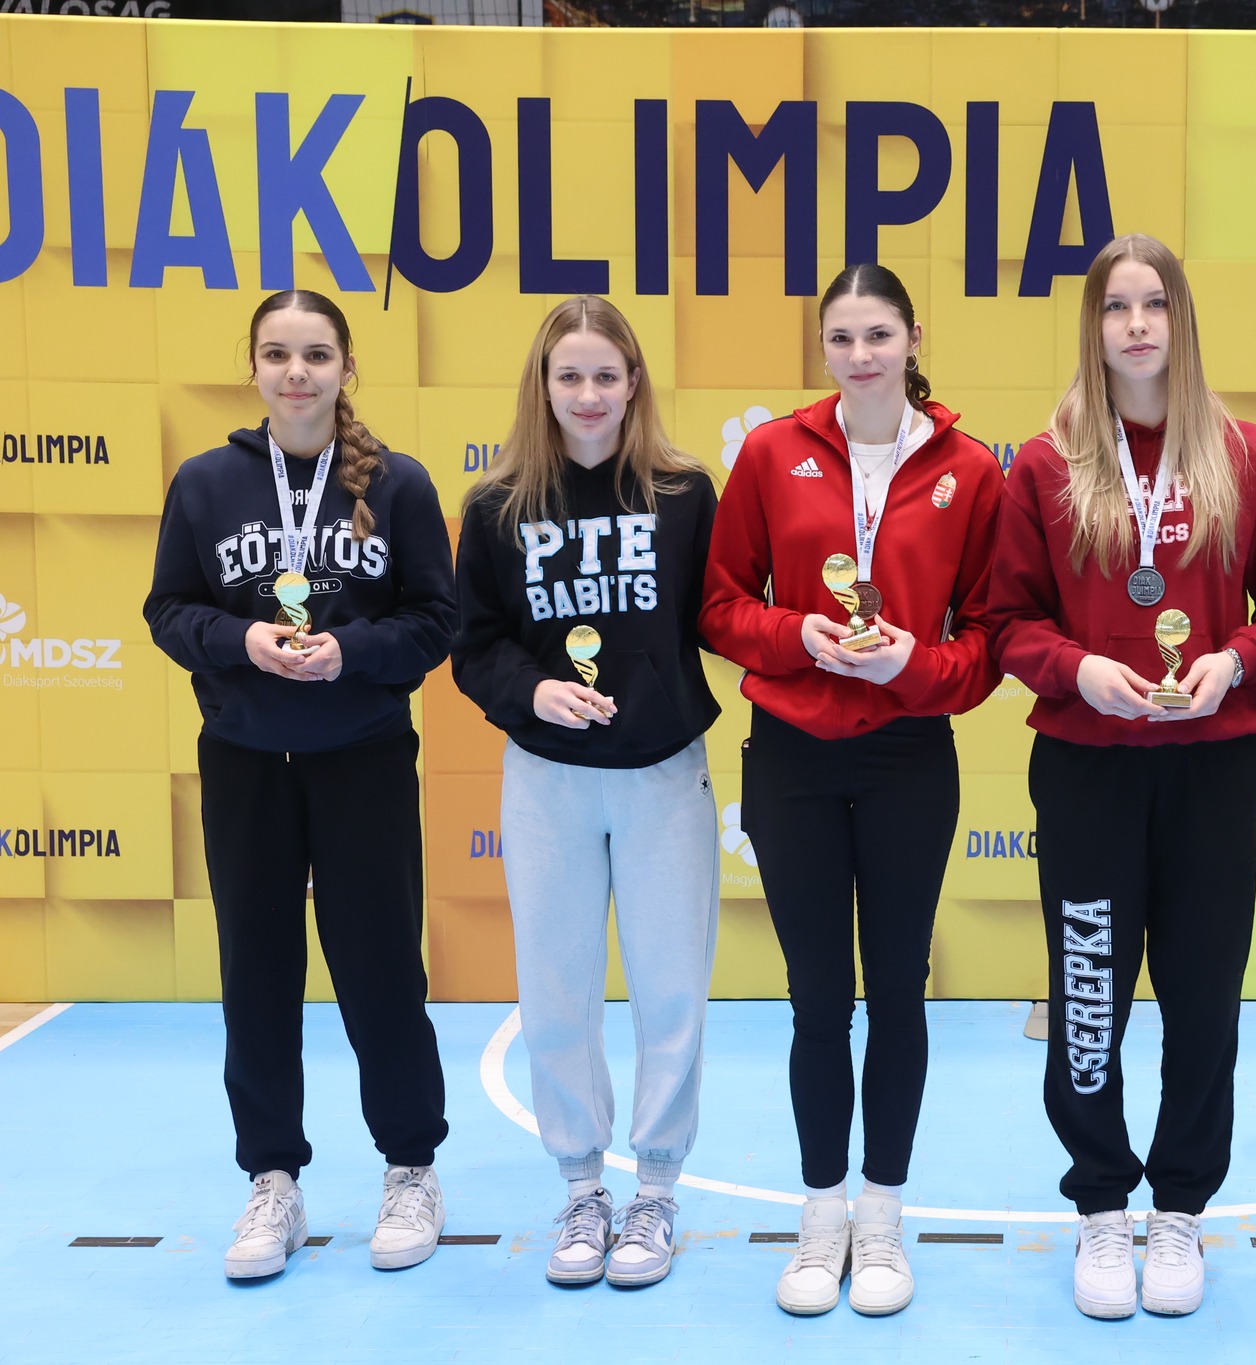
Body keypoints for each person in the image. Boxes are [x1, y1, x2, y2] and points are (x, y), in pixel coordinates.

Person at [987, 233, 1256, 1320]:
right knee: (1088, 994)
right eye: (1114, 306)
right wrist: (1078, 669)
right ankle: (1099, 1202)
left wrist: (1236, 662)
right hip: (1087, 765)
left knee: (1202, 994)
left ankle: (1178, 1206)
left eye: (1154, 304)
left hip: (1213, 764)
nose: (1135, 325)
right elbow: (1004, 622)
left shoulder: (1246, 456)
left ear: (1181, 320)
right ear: (1091, 326)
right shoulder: (1045, 465)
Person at [699, 263, 1005, 1317]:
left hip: (908, 755)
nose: (861, 354)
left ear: (913, 339)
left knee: (899, 992)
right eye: (841, 337)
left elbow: (987, 645)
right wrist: (801, 637)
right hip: (791, 756)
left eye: (879, 334)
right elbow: (719, 606)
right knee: (817, 998)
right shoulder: (771, 452)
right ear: (822, 346)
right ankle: (821, 1211)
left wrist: (910, 663)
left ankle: (882, 1213)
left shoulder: (970, 467)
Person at [143, 289, 454, 1280]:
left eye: (316, 354)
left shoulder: (398, 485)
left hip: (363, 755)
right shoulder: (204, 483)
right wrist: (242, 639)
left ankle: (410, 1168)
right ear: (253, 366)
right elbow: (167, 609)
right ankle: (272, 1178)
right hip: (245, 761)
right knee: (257, 973)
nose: (296, 373)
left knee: (381, 970)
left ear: (346, 367)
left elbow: (436, 621)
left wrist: (349, 652)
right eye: (277, 353)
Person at [451, 296, 721, 1290]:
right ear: (544, 385)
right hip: (548, 781)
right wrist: (534, 692)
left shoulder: (684, 495)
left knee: (670, 992)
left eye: (606, 374)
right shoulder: (497, 506)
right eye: (569, 375)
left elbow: (722, 614)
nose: (589, 394)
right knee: (556, 991)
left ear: (634, 382)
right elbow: (473, 646)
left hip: (663, 777)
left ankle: (655, 1188)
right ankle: (579, 1186)